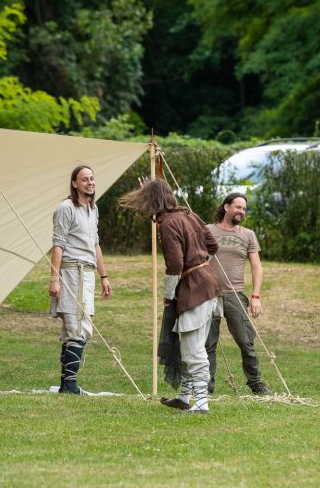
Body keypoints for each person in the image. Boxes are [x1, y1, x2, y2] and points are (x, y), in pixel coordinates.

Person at [120, 179, 221, 413]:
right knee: (190, 346)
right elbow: (213, 246)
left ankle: (202, 403)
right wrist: (201, 264)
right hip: (208, 284)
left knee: (193, 349)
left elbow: (175, 265)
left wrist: (169, 294)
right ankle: (185, 398)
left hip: (195, 289)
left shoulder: (168, 222)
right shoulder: (189, 215)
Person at [49, 165, 111, 395]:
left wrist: (104, 276)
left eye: (92, 178)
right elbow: (58, 244)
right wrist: (54, 278)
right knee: (78, 328)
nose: (90, 182)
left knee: (74, 328)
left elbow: (95, 245)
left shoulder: (93, 209)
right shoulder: (66, 208)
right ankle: (71, 384)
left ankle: (67, 385)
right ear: (74, 183)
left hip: (87, 273)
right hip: (71, 272)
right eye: (84, 179)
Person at [205, 193, 272, 395]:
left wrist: (256, 296)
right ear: (227, 207)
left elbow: (256, 267)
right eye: (238, 207)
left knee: (246, 342)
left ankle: (256, 383)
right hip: (209, 294)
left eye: (244, 209)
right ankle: (206, 387)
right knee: (208, 344)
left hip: (235, 294)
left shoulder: (248, 235)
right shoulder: (207, 231)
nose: (241, 212)